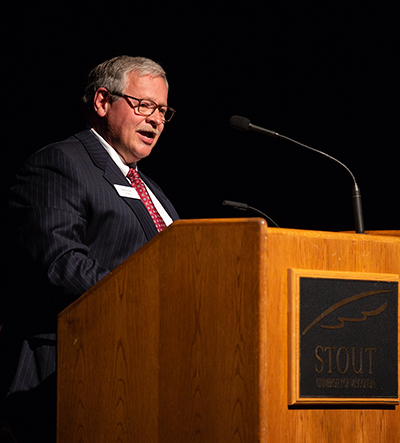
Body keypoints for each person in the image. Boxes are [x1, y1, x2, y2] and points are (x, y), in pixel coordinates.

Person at [1, 55, 179, 442]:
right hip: (69, 372)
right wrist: (149, 299)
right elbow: (61, 262)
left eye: (163, 111)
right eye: (144, 105)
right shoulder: (60, 164)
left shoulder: (154, 191)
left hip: (144, 373)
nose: (156, 120)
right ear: (102, 101)